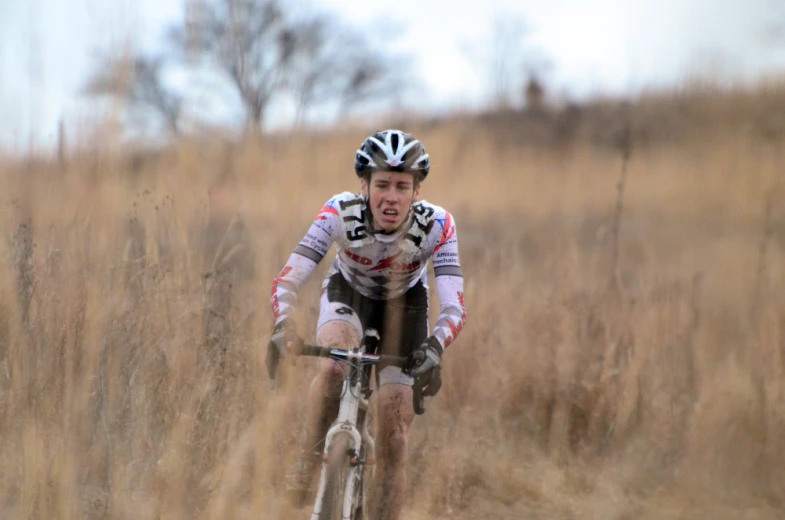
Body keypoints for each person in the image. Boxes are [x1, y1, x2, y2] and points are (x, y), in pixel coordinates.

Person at [266, 129, 466, 520]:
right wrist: (284, 324)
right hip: (349, 295)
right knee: (332, 367)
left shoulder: (439, 225)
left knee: (394, 434)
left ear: (417, 191)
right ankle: (309, 459)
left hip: (405, 306)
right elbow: (286, 280)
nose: (391, 196)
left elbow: (454, 307)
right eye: (382, 184)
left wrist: (435, 347)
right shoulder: (338, 212)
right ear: (363, 185)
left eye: (402, 186)